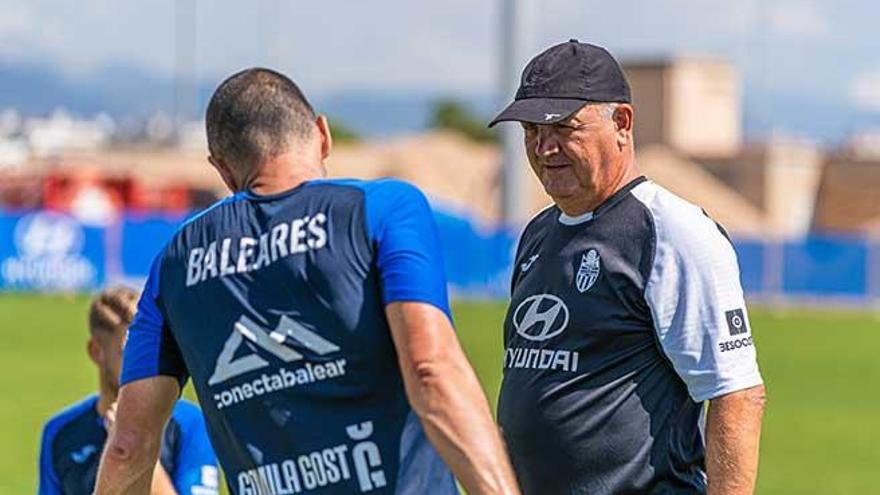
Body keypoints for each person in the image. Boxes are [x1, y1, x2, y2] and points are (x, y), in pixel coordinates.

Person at [94, 68, 519, 495]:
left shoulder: (174, 260)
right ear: (323, 134)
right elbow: (431, 371)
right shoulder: (384, 208)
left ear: (222, 169)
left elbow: (128, 446)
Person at [488, 40, 767, 495]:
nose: (544, 147)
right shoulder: (539, 232)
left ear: (622, 123)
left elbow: (736, 394)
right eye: (532, 131)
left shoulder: (672, 232)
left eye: (564, 128)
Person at [37, 287, 219, 495]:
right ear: (96, 352)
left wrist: (136, 447)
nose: (145, 365)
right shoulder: (60, 432)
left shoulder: (190, 423)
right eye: (130, 354)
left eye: (150, 352)